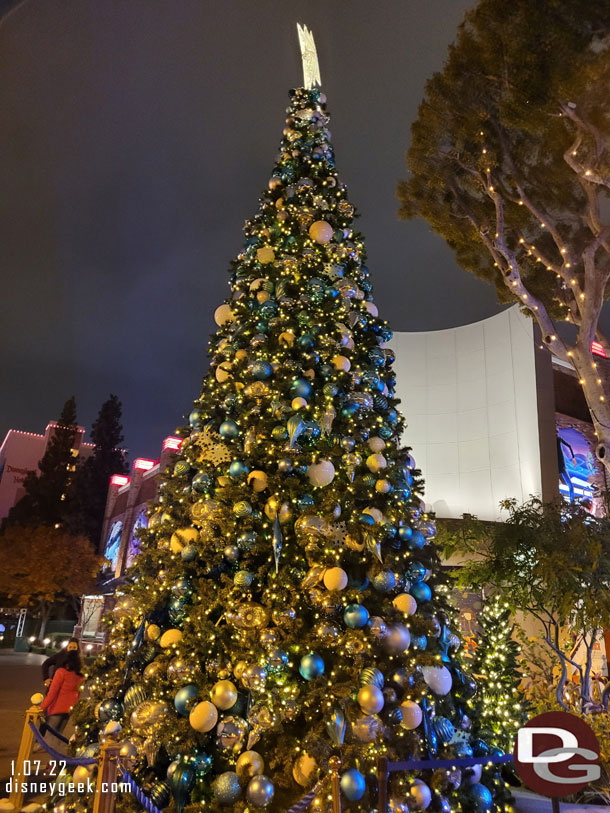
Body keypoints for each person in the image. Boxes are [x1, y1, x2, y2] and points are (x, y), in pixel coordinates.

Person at [37, 649, 84, 746]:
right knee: (58, 736)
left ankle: (52, 758)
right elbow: (78, 694)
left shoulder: (61, 672)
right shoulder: (79, 676)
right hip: (68, 710)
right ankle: (56, 759)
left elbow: (52, 693)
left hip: (56, 709)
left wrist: (41, 708)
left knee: (50, 737)